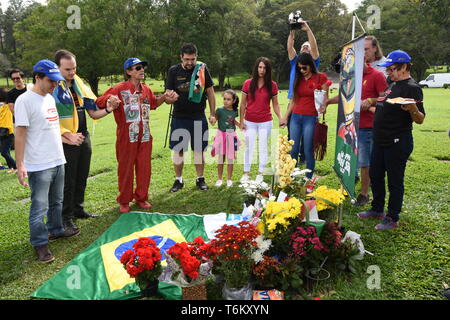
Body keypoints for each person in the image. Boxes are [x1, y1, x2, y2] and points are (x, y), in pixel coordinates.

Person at [14, 59, 79, 263]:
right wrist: (20, 165)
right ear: (38, 78)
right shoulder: (24, 101)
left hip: (57, 159)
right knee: (39, 207)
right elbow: (20, 134)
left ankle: (56, 229)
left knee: (56, 201)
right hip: (39, 165)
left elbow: (50, 129)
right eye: (50, 81)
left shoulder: (50, 99)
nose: (54, 85)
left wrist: (66, 137)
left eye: (56, 80)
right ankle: (40, 243)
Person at [357, 50, 426, 230]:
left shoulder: (412, 87)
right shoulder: (391, 84)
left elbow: (420, 119)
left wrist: (412, 109)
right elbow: (384, 101)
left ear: (404, 67)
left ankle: (392, 217)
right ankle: (377, 209)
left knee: (395, 181)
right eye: (387, 69)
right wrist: (372, 100)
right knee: (376, 175)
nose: (388, 73)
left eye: (392, 69)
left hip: (397, 141)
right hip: (380, 139)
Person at [96, 58, 174, 213]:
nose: (142, 70)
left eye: (143, 67)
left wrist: (165, 98)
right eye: (137, 68)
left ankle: (141, 197)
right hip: (127, 136)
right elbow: (99, 101)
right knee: (125, 168)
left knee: (144, 167)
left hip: (145, 135)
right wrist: (110, 98)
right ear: (128, 72)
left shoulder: (146, 89)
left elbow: (153, 104)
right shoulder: (119, 88)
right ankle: (124, 200)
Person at [53, 49, 118, 231]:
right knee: (68, 181)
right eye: (67, 69)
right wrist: (67, 136)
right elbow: (49, 120)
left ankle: (78, 209)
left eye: (74, 68)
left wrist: (109, 109)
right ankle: (65, 218)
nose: (72, 72)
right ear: (57, 68)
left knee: (82, 175)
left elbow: (93, 112)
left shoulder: (78, 85)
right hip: (67, 139)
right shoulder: (52, 89)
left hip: (83, 135)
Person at [327, 57, 388, 206]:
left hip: (368, 126)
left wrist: (371, 101)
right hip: (350, 124)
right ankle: (347, 188)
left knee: (364, 162)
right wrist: (327, 102)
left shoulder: (377, 75)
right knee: (348, 158)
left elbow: (386, 97)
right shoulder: (350, 77)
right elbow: (344, 96)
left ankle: (364, 194)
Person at [166, 43, 216, 192]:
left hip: (198, 116)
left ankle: (200, 179)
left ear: (196, 57)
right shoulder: (173, 71)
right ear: (181, 57)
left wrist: (212, 113)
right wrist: (170, 96)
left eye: (192, 59)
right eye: (187, 59)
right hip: (179, 117)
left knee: (199, 150)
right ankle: (178, 180)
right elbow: (168, 92)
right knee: (179, 150)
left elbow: (211, 92)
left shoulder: (202, 69)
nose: (189, 62)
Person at [282, 52, 329, 179]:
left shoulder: (320, 77)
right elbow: (293, 100)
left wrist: (324, 107)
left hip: (311, 117)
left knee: (308, 149)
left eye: (304, 67)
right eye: (299, 68)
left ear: (310, 65)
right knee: (293, 149)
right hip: (296, 117)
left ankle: (308, 178)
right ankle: (290, 177)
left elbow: (325, 99)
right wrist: (285, 117)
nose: (301, 70)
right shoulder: (298, 79)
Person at [240, 57, 284, 182]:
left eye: (265, 68)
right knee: (249, 147)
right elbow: (243, 104)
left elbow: (275, 104)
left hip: (265, 121)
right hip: (249, 121)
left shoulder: (273, 85)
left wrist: (280, 117)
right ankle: (246, 173)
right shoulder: (248, 83)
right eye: (260, 67)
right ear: (256, 68)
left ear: (268, 70)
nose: (262, 70)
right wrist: (242, 121)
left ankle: (260, 173)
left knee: (263, 147)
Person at [287, 22, 321, 165]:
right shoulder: (295, 62)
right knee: (292, 137)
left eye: (307, 47)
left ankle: (304, 160)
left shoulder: (314, 64)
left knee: (307, 140)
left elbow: (314, 46)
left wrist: (308, 30)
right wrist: (292, 32)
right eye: (303, 47)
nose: (306, 48)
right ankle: (292, 164)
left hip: (309, 105)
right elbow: (290, 47)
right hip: (293, 102)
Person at [211, 89, 241, 188]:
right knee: (221, 158)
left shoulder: (235, 111)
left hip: (231, 135)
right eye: (224, 99)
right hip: (221, 135)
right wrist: (212, 119)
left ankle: (229, 179)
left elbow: (233, 120)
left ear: (233, 100)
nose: (226, 101)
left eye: (228, 99)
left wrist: (239, 124)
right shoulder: (219, 110)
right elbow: (215, 119)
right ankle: (219, 179)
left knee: (230, 159)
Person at [0, 88, 16, 173]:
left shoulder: (7, 107)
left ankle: (16, 166)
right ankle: (11, 167)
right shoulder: (3, 107)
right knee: (7, 152)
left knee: (3, 152)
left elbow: (4, 120)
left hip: (7, 132)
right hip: (3, 132)